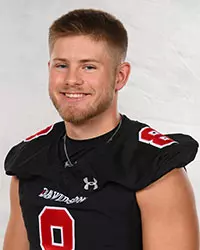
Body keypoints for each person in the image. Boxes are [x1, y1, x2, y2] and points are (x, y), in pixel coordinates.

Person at [3, 8, 199, 250]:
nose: (71, 80)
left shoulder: (154, 169)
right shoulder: (29, 160)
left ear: (120, 76)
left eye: (89, 67)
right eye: (61, 65)